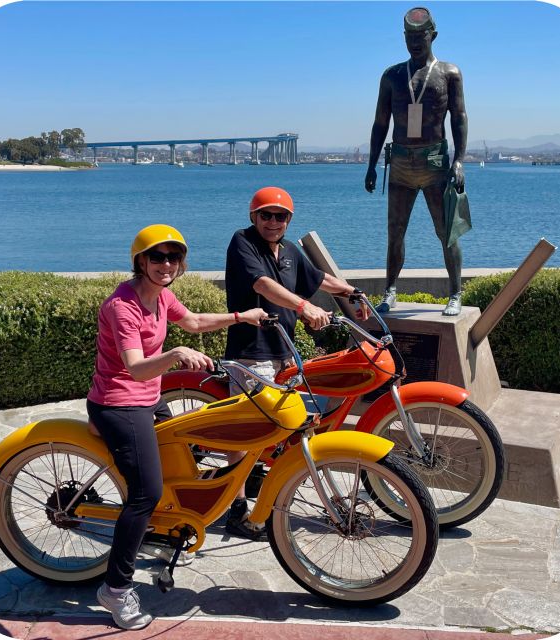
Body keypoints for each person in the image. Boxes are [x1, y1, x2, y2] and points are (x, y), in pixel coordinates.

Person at [88, 224, 266, 630]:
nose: (165, 264)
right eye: (156, 257)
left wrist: (243, 316)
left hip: (148, 399)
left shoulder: (162, 295)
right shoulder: (123, 306)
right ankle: (114, 590)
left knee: (183, 458)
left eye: (172, 257)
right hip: (117, 404)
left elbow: (196, 322)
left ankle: (167, 534)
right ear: (140, 261)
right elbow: (134, 368)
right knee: (145, 493)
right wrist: (174, 354)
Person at [222, 186, 369, 539]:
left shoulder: (290, 250)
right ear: (253, 216)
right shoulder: (242, 242)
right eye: (266, 215)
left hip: (285, 352)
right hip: (251, 353)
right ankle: (237, 508)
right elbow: (263, 285)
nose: (273, 222)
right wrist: (304, 307)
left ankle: (264, 480)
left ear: (290, 220)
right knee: (248, 431)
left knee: (294, 423)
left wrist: (350, 292)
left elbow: (318, 278)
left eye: (281, 216)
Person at [364, 6, 468, 316]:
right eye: (409, 37)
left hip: (435, 160)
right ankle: (390, 290)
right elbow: (380, 123)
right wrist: (370, 164)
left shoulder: (449, 73)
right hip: (400, 162)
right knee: (395, 231)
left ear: (432, 35)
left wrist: (459, 161)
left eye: (420, 36)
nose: (414, 42)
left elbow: (459, 117)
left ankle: (455, 292)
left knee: (447, 230)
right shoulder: (392, 75)